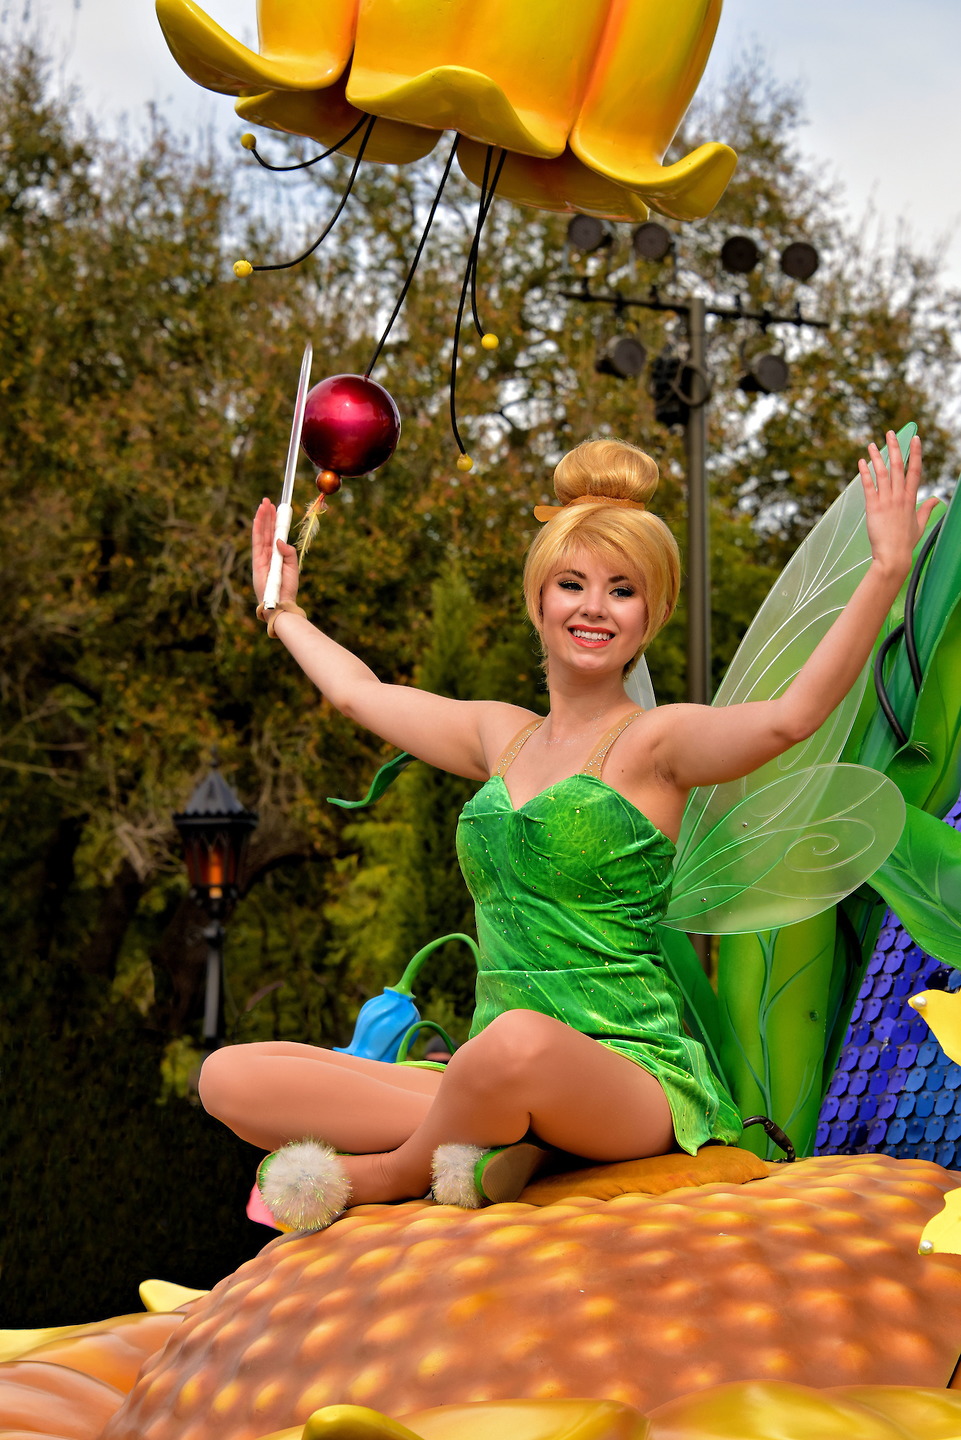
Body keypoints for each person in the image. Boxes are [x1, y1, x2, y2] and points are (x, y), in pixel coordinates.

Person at [199, 433, 934, 1227]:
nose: (592, 606)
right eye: (571, 583)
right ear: (538, 599)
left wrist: (885, 570)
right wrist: (282, 608)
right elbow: (358, 693)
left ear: (649, 612)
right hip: (487, 1074)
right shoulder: (497, 735)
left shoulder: (657, 744)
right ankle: (504, 1145)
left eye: (621, 590)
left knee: (515, 1045)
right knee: (233, 1078)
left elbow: (790, 719)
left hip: (627, 1080)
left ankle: (394, 1172)